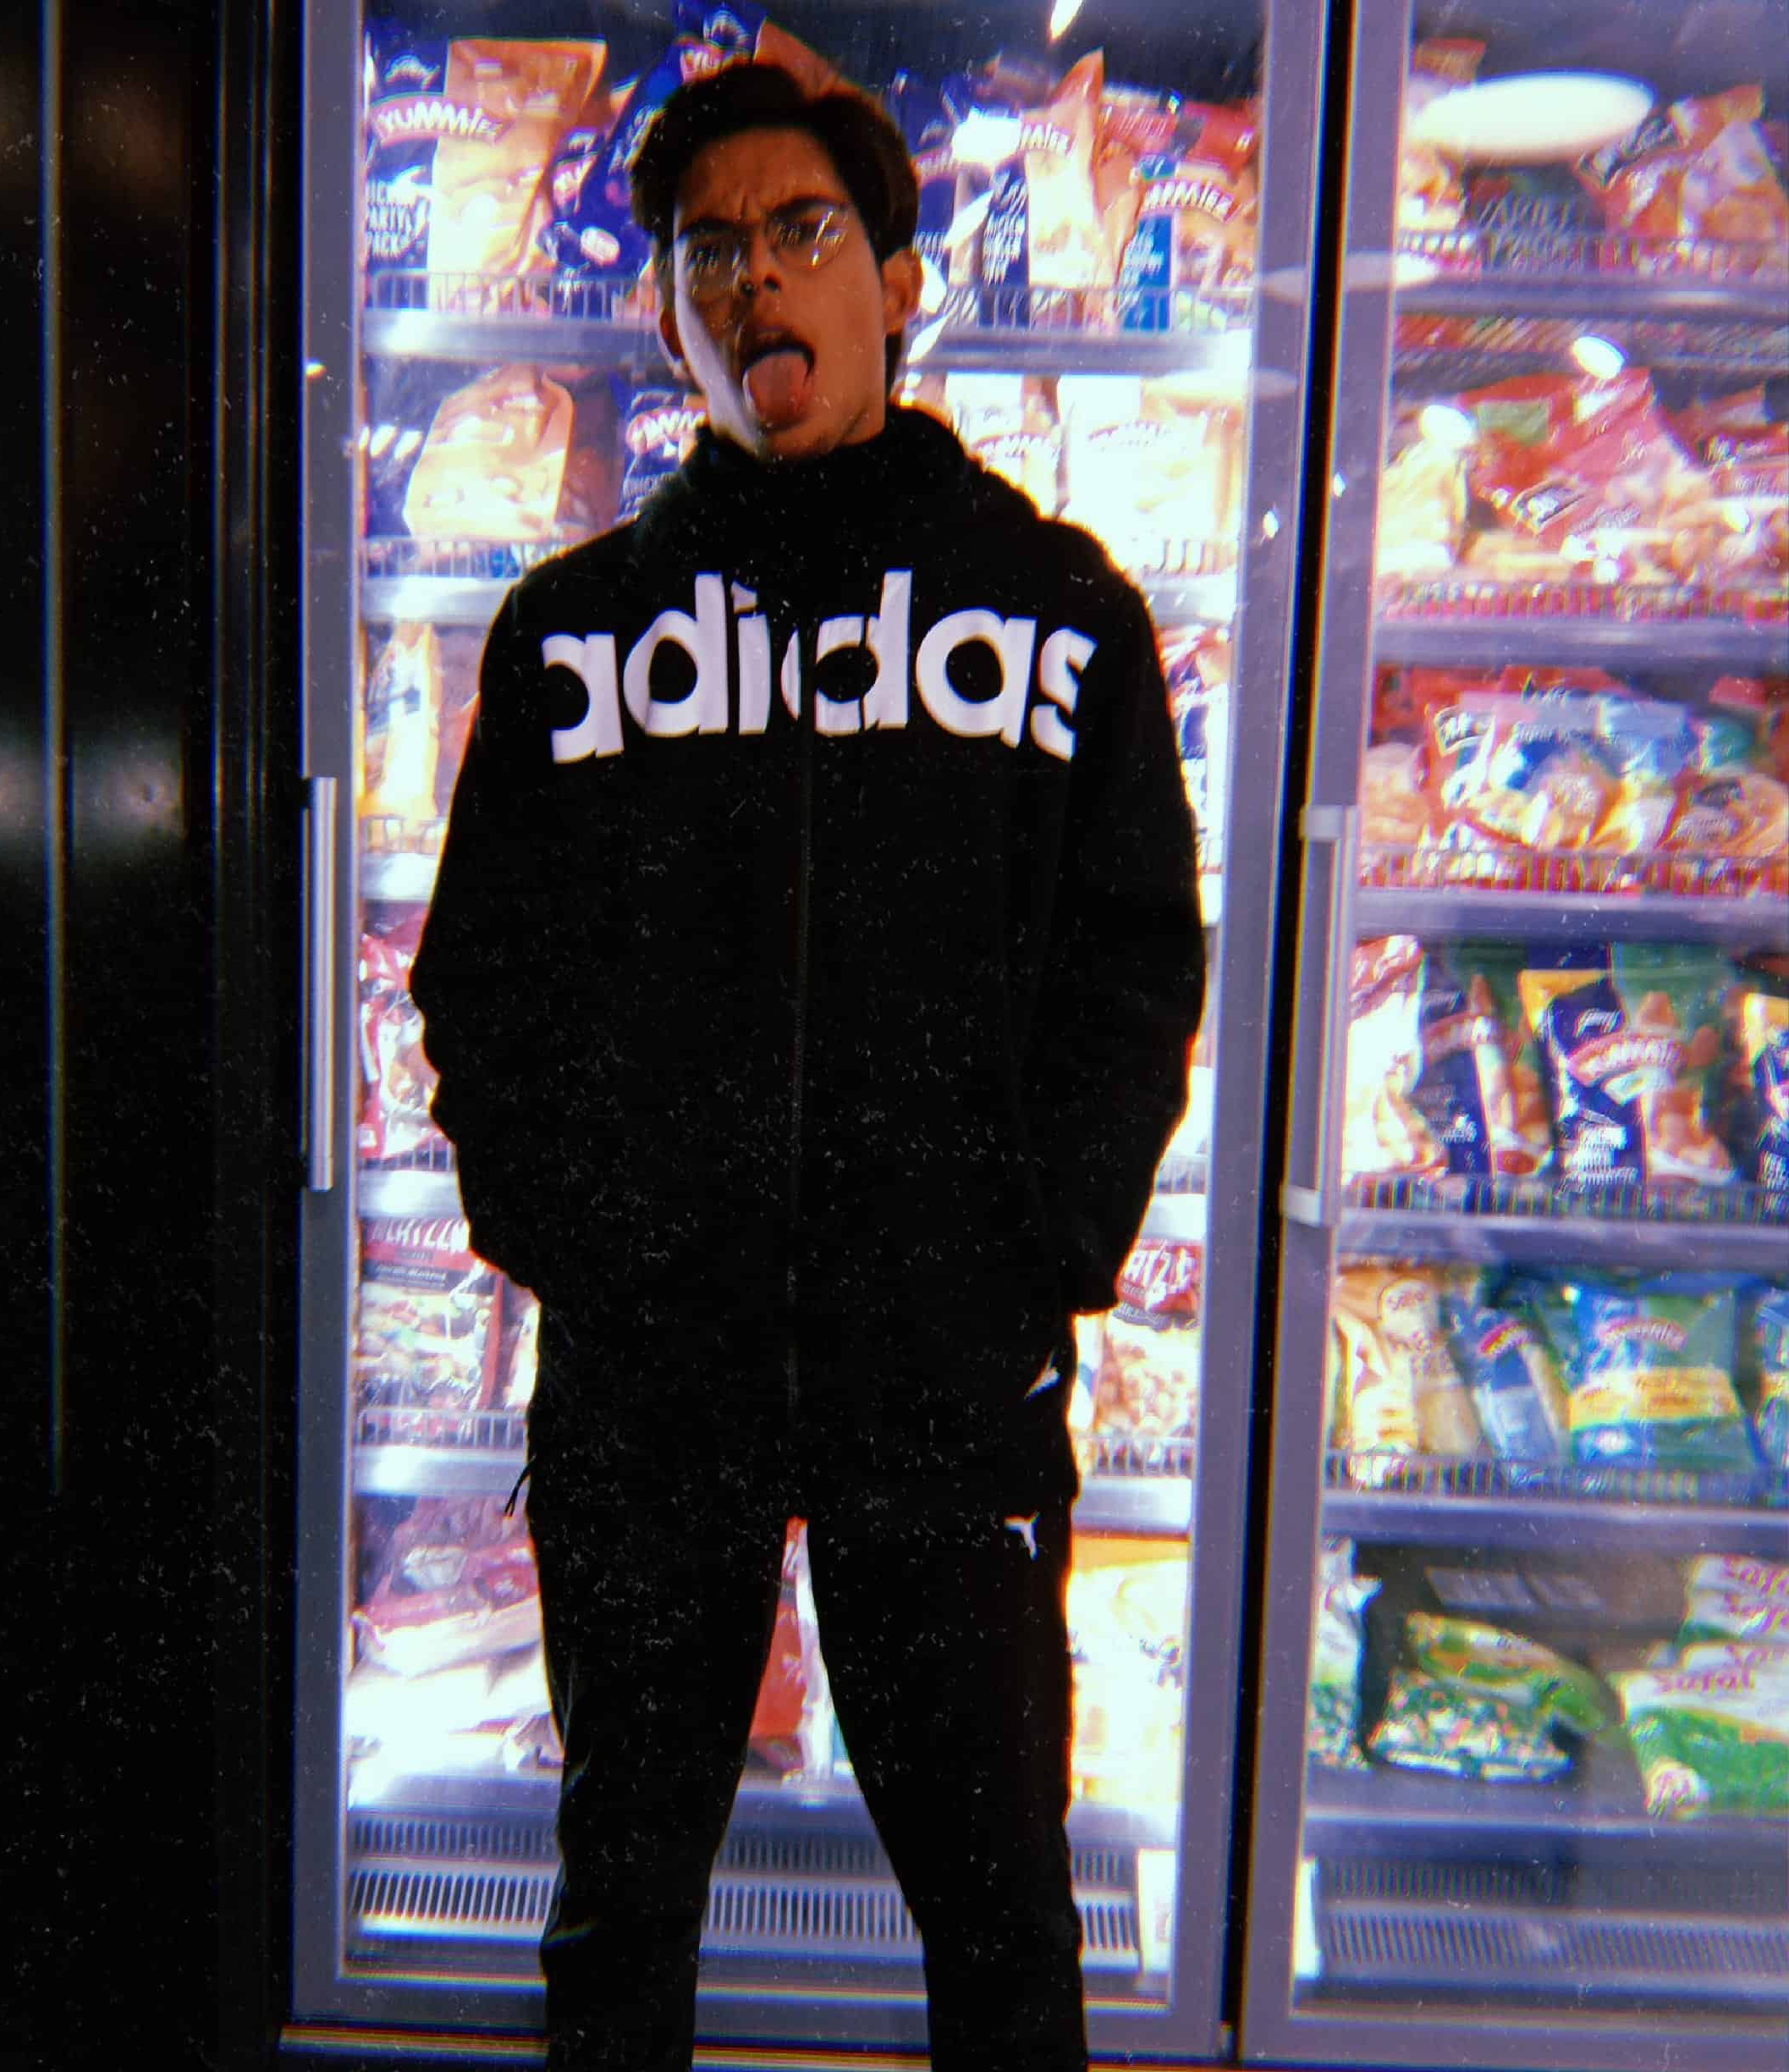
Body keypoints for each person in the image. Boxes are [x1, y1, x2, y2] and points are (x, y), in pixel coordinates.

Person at [409, 59, 1204, 2072]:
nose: (754, 282)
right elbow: (480, 983)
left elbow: (1134, 966)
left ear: (898, 282)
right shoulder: (573, 633)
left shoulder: (1059, 614)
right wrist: (580, 1245)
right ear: (669, 314)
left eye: (802, 234)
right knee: (619, 1910)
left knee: (999, 1915)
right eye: (709, 254)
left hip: (946, 1386)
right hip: (645, 1389)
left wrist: (1036, 1251)